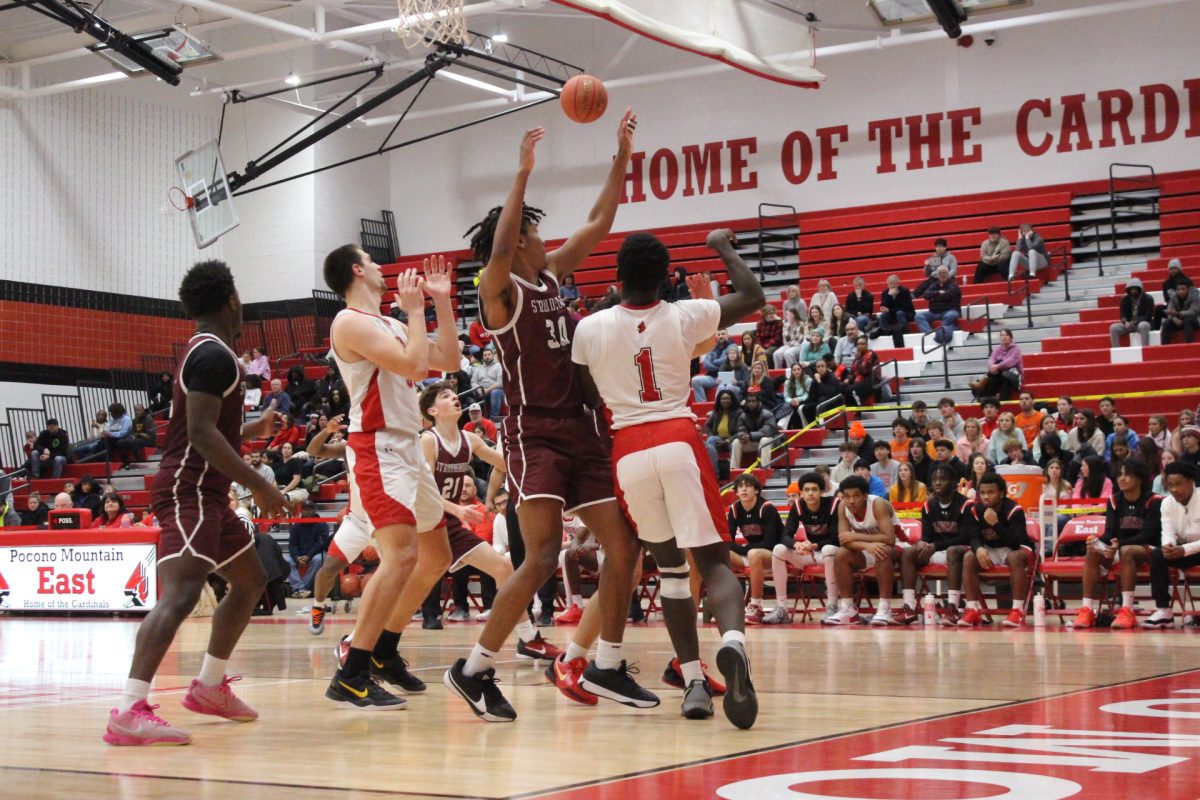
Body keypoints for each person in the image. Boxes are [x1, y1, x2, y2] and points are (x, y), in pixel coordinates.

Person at [448, 116, 657, 722]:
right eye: (533, 231)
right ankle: (474, 669)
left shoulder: (550, 276)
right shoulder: (499, 289)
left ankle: (606, 663)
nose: (544, 238)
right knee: (538, 557)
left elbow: (599, 223)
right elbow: (500, 244)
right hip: (533, 431)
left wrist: (621, 158)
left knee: (626, 545)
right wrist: (521, 175)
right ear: (518, 242)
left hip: (581, 428)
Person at [569, 232, 763, 721]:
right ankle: (734, 644)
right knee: (714, 563)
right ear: (666, 278)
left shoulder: (589, 328)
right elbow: (754, 296)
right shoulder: (683, 314)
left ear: (617, 277)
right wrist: (723, 246)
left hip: (628, 450)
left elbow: (587, 396)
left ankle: (694, 683)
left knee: (671, 570)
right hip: (676, 436)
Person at [104, 261, 288, 747]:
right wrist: (261, 485)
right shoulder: (215, 357)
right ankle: (128, 710)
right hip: (190, 491)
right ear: (232, 300)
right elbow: (201, 434)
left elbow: (199, 428)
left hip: (206, 491)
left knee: (250, 579)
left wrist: (249, 430)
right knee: (182, 594)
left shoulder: (205, 352)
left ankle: (208, 687)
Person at [320, 242, 461, 711]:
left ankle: (383, 650)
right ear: (358, 270)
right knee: (400, 556)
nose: (384, 267)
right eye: (373, 261)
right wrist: (417, 313)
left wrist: (439, 302)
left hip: (407, 446)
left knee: (436, 556)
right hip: (378, 447)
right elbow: (414, 365)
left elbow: (450, 361)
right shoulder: (349, 322)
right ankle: (352, 671)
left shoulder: (392, 323)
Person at [1073, 460, 1160, 630]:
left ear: (1140, 478)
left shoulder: (1153, 500)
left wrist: (1119, 545)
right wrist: (1097, 542)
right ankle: (1087, 609)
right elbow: (1109, 532)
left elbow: (1148, 535)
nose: (1122, 478)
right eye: (1119, 474)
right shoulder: (1114, 500)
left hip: (1150, 549)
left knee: (1127, 551)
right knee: (1092, 551)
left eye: (1127, 474)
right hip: (1121, 548)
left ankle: (1127, 609)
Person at [896, 464, 975, 625]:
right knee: (908, 552)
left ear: (954, 483)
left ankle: (952, 607)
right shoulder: (928, 505)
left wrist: (934, 546)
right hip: (937, 551)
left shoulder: (966, 505)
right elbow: (926, 535)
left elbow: (967, 537)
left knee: (952, 551)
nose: (937, 483)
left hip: (961, 552)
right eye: (934, 479)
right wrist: (923, 544)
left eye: (943, 479)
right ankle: (909, 608)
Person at [959, 473, 1033, 627]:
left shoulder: (1014, 509)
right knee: (969, 557)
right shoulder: (975, 510)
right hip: (991, 549)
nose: (986, 497)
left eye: (991, 492)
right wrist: (978, 548)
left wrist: (996, 524)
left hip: (1016, 548)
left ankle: (1017, 611)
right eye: (983, 492)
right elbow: (972, 536)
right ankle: (972, 609)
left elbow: (1016, 542)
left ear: (1001, 493)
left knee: (1014, 557)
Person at [766, 473, 840, 625]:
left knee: (828, 549)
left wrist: (816, 545)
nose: (810, 493)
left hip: (829, 553)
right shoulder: (798, 505)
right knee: (779, 549)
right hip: (809, 553)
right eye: (806, 490)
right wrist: (796, 545)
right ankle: (781, 608)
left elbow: (836, 538)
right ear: (802, 493)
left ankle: (832, 606)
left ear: (822, 492)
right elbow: (785, 535)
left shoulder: (834, 504)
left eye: (814, 489)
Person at [826, 476, 900, 625]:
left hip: (898, 547)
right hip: (869, 548)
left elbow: (889, 539)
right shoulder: (842, 507)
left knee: (882, 550)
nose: (851, 501)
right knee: (841, 553)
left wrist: (857, 537)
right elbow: (844, 540)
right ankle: (848, 609)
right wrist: (867, 546)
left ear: (865, 495)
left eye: (856, 496)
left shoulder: (878, 504)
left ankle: (884, 608)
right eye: (847, 496)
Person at [1145, 461, 1200, 627]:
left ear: (1191, 481)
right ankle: (1163, 611)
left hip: (1192, 549)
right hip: (1183, 550)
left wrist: (1184, 550)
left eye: (1179, 484)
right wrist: (1168, 546)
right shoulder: (1167, 503)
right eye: (1170, 485)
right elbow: (1167, 531)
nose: (1174, 489)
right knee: (1157, 555)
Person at [728, 473, 783, 629]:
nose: (744, 489)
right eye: (740, 486)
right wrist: (744, 549)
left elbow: (770, 543)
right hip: (752, 555)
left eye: (748, 486)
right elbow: (728, 541)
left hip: (775, 555)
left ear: (757, 490)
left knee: (754, 553)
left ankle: (756, 606)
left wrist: (746, 549)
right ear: (736, 491)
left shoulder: (767, 508)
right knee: (719, 552)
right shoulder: (734, 509)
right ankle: (727, 605)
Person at [284, 501, 329, 598]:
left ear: (314, 510)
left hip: (316, 553)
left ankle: (300, 589)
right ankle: (301, 588)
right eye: (305, 510)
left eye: (310, 509)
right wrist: (296, 557)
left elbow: (321, 544)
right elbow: (292, 545)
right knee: (286, 560)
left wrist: (309, 555)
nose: (308, 512)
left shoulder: (322, 524)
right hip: (300, 554)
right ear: (301, 511)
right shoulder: (296, 526)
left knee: (318, 560)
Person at [915, 265, 961, 343]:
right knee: (919, 316)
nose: (942, 275)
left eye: (944, 273)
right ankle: (930, 334)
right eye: (940, 273)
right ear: (937, 275)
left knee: (949, 316)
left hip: (950, 310)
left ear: (948, 274)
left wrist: (933, 298)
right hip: (934, 312)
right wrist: (938, 292)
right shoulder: (935, 285)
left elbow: (948, 295)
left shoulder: (953, 285)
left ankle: (942, 334)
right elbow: (925, 295)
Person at [973, 328, 1023, 399]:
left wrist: (997, 366)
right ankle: (988, 399)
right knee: (991, 380)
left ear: (1011, 338)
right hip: (999, 374)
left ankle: (983, 380)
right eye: (1002, 335)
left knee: (1005, 375)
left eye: (1007, 335)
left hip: (1013, 375)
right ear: (1000, 337)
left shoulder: (1016, 349)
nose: (1004, 337)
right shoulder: (997, 349)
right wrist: (992, 367)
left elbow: (1011, 361)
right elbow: (991, 360)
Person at [704, 390, 744, 477]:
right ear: (719, 400)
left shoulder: (739, 413)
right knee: (710, 441)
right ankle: (714, 474)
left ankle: (733, 473)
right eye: (723, 399)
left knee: (735, 444)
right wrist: (711, 435)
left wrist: (728, 440)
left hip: (732, 439)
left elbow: (741, 430)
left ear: (732, 400)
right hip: (719, 438)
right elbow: (707, 426)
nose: (725, 401)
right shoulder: (717, 412)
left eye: (727, 398)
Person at [733, 393, 779, 469]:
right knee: (736, 441)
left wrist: (750, 436)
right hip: (753, 442)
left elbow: (766, 432)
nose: (751, 403)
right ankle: (734, 469)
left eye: (753, 401)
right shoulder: (742, 416)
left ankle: (765, 469)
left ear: (758, 402)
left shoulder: (768, 414)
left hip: (771, 441)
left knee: (764, 440)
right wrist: (742, 435)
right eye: (749, 401)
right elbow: (740, 430)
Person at [1110, 277, 1155, 347]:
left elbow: (1148, 316)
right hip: (1129, 325)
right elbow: (1122, 315)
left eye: (1135, 288)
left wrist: (1135, 322)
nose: (1133, 291)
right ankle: (1116, 350)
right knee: (1113, 328)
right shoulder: (1124, 299)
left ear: (1140, 289)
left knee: (1144, 325)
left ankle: (1145, 348)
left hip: (1141, 323)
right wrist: (1125, 322)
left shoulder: (1148, 298)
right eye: (1131, 289)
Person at [872, 274, 915, 348]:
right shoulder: (886, 292)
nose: (892, 285)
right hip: (892, 315)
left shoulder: (904, 291)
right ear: (888, 284)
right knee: (883, 315)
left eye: (894, 283)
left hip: (906, 313)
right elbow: (883, 305)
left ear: (898, 283)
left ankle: (904, 332)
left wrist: (889, 310)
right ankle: (883, 332)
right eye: (890, 283)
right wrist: (889, 296)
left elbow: (906, 307)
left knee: (899, 313)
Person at [691, 329, 733, 402]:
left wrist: (714, 362)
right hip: (713, 377)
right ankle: (702, 406)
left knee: (721, 387)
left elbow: (725, 361)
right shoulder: (712, 348)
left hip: (727, 376)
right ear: (716, 337)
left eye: (723, 334)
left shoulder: (732, 347)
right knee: (695, 380)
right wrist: (718, 367)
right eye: (719, 334)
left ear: (728, 336)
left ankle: (717, 409)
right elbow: (706, 364)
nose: (721, 336)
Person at [843, 335, 881, 405]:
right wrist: (848, 379)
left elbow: (864, 370)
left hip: (871, 382)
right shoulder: (858, 355)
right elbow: (852, 371)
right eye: (858, 344)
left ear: (866, 345)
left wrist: (858, 359)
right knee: (842, 386)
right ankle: (848, 412)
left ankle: (857, 411)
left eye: (862, 344)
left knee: (849, 390)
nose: (860, 346)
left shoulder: (871, 354)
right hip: (859, 381)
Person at [470, 348, 505, 420]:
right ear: (483, 357)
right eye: (485, 355)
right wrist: (479, 389)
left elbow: (501, 382)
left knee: (495, 393)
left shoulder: (498, 366)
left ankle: (493, 418)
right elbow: (473, 382)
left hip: (496, 390)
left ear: (493, 355)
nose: (487, 356)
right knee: (472, 393)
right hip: (481, 390)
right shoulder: (479, 368)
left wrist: (487, 390)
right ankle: (479, 418)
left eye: (489, 354)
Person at [779, 363, 809, 429]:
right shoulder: (788, 382)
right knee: (787, 407)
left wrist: (798, 399)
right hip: (792, 401)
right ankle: (782, 427)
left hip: (805, 400)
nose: (796, 371)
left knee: (798, 408)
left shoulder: (808, 380)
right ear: (792, 372)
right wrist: (791, 400)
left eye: (798, 369)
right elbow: (786, 396)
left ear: (802, 370)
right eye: (794, 370)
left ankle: (802, 428)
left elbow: (809, 394)